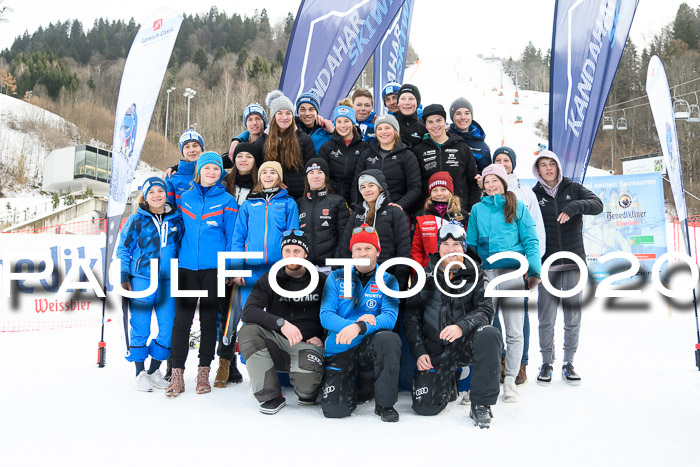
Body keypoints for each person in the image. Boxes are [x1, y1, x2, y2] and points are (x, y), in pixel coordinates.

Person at [404, 222, 502, 426]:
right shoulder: (424, 275)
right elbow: (411, 317)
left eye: (456, 244)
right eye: (445, 244)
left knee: (489, 334)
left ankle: (481, 404)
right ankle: (448, 381)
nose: (451, 249)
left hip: (465, 344)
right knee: (425, 407)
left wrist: (461, 327)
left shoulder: (475, 274)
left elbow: (486, 310)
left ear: (464, 247)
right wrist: (419, 350)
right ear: (438, 248)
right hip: (435, 348)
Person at [467, 163, 541, 403]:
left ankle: (510, 379)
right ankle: (484, 379)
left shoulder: (517, 207)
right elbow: (471, 242)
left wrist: (533, 271)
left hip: (512, 272)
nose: (491, 185)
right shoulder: (478, 209)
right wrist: (479, 265)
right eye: (487, 181)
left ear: (503, 182)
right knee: (484, 328)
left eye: (495, 180)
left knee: (515, 329)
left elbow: (531, 239)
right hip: (488, 273)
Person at [167, 152, 239, 397]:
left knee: (209, 321)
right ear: (199, 171)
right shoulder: (185, 198)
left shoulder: (228, 201)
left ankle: (203, 372)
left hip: (214, 269)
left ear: (221, 173)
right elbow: (176, 230)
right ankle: (176, 373)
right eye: (207, 168)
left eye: (216, 169)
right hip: (187, 267)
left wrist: (229, 267)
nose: (211, 172)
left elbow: (232, 238)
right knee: (182, 321)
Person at [531, 150, 603, 385]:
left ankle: (568, 362)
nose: (548, 168)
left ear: (558, 167)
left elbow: (597, 205)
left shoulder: (573, 188)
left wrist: (575, 207)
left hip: (573, 264)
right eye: (543, 165)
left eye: (552, 164)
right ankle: (546, 362)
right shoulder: (534, 194)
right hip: (547, 266)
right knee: (546, 318)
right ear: (538, 170)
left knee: (572, 317)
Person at [237, 231, 327, 414]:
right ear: (282, 254)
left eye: (297, 251)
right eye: (287, 251)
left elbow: (334, 312)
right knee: (247, 331)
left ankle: (306, 389)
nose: (292, 256)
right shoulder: (270, 278)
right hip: (277, 344)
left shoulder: (322, 280)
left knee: (306, 392)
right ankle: (270, 396)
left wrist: (323, 338)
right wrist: (281, 323)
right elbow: (248, 312)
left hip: (307, 344)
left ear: (305, 254)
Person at [319, 224, 402, 422]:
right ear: (351, 252)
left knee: (388, 339)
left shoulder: (388, 280)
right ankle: (354, 387)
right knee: (334, 410)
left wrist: (361, 327)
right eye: (358, 248)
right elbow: (326, 315)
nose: (362, 253)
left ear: (377, 252)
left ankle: (385, 404)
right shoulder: (336, 276)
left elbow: (389, 318)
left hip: (368, 348)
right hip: (340, 347)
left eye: (368, 248)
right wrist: (353, 324)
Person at [117, 177, 184, 391]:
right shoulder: (136, 219)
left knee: (168, 328)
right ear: (145, 196)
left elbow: (182, 247)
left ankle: (154, 369)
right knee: (140, 327)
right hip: (142, 279)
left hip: (167, 280)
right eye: (152, 192)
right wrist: (124, 275)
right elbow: (124, 249)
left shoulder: (176, 219)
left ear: (166, 193)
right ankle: (139, 373)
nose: (157, 195)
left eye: (160, 191)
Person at [230, 161, 300, 307]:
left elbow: (293, 240)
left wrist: (291, 267)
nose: (268, 176)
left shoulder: (289, 203)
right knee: (250, 310)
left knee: (276, 312)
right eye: (264, 172)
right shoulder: (248, 204)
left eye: (273, 172)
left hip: (278, 267)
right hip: (251, 268)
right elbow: (238, 237)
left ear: (279, 177)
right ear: (259, 176)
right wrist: (237, 268)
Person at [341, 170, 411, 290]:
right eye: (362, 187)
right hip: (359, 280)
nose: (366, 190)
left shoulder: (395, 213)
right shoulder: (356, 217)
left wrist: (399, 284)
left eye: (371, 185)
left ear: (381, 187)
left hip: (388, 278)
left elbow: (404, 250)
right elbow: (345, 250)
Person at [412, 103, 481, 211]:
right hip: (428, 215)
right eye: (430, 122)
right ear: (425, 125)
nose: (435, 126)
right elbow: (414, 185)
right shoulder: (418, 150)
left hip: (459, 212)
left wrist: (471, 210)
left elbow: (473, 183)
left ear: (445, 122)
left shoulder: (462, 148)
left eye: (439, 120)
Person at [353, 114, 422, 213]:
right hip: (369, 210)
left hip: (396, 211)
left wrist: (399, 205)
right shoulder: (366, 154)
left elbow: (415, 187)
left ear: (395, 130)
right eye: (379, 128)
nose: (383, 132)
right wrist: (359, 207)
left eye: (387, 128)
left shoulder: (407, 155)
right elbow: (356, 184)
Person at [257, 90, 316, 200]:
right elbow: (258, 168)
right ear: (274, 116)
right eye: (280, 113)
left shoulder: (303, 139)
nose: (284, 117)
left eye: (288, 113)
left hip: (300, 195)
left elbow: (311, 167)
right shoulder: (263, 140)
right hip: (273, 196)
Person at [296, 158, 350, 271]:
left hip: (330, 267)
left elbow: (344, 235)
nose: (316, 176)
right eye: (311, 172)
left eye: (320, 172)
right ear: (306, 177)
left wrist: (337, 264)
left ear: (326, 176)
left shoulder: (337, 201)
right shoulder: (299, 203)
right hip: (305, 267)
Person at [411, 172, 469, 268]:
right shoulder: (420, 216)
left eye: (443, 189)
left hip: (456, 270)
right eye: (435, 190)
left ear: (450, 192)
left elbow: (468, 246)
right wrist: (419, 274)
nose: (439, 194)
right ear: (430, 193)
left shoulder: (462, 215)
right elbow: (416, 250)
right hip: (429, 270)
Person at [317, 105, 369, 205]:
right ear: (335, 124)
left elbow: (364, 177)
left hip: (355, 200)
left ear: (353, 123)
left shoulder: (364, 147)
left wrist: (356, 204)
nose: (342, 125)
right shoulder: (327, 147)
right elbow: (321, 176)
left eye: (346, 121)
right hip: (330, 199)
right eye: (339, 121)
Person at [448, 97, 492, 173]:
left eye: (467, 113)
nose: (463, 117)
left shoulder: (481, 147)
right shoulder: (445, 138)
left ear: (471, 116)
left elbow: (486, 175)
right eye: (458, 114)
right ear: (452, 117)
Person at [166, 129, 204, 206]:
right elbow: (167, 207)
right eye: (187, 147)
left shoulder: (213, 173)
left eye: (195, 145)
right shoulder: (172, 177)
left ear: (201, 148)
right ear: (182, 151)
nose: (192, 150)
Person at [395, 83, 426, 148]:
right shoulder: (391, 125)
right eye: (403, 98)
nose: (407, 103)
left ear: (417, 103)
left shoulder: (424, 127)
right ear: (398, 102)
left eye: (411, 99)